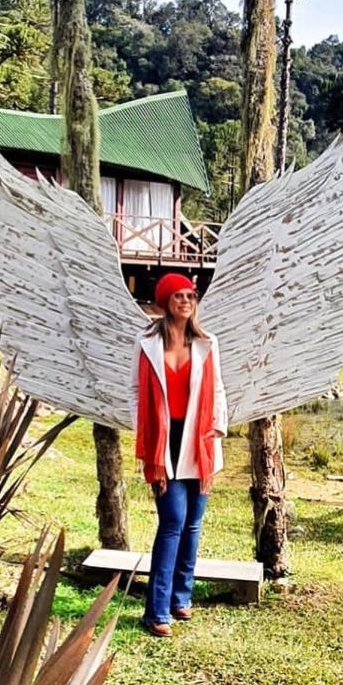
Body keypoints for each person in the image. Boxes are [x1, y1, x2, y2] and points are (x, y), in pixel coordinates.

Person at [130, 272, 228, 637]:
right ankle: (156, 610)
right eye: (179, 296)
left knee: (192, 523)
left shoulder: (207, 343)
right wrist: (145, 432)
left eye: (191, 295)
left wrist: (216, 429)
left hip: (199, 440)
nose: (186, 301)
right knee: (172, 520)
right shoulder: (145, 344)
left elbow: (218, 390)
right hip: (163, 441)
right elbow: (135, 393)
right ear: (165, 302)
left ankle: (180, 597)